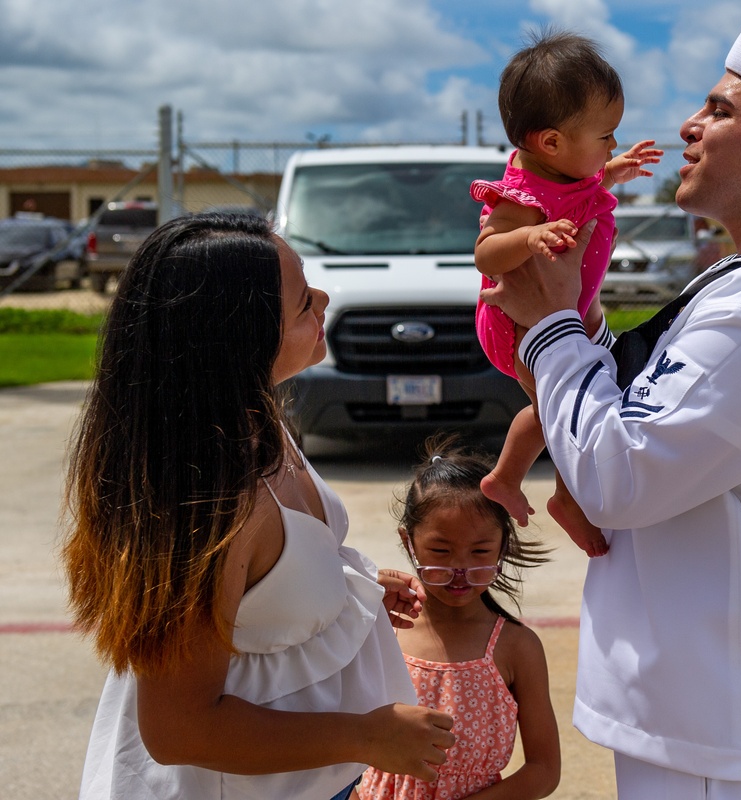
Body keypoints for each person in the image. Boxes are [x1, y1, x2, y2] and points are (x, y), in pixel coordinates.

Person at [480, 22, 741, 800]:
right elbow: (638, 393)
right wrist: (574, 324)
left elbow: (622, 476)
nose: (686, 126)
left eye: (718, 108)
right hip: (722, 715)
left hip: (735, 732)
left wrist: (546, 325)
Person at [61, 212, 455, 800]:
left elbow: (270, 578)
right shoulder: (210, 501)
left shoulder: (251, 416)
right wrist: (367, 738)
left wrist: (357, 583)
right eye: (302, 303)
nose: (323, 298)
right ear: (238, 339)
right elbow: (178, 729)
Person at [470, 30, 662, 558]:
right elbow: (486, 254)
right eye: (606, 137)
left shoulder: (566, 171)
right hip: (523, 326)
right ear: (551, 144)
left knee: (586, 398)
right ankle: (515, 480)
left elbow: (585, 184)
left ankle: (560, 491)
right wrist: (528, 237)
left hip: (568, 316)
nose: (613, 147)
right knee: (557, 409)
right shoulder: (522, 199)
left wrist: (612, 172)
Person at [358, 434, 561, 800]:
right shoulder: (381, 625)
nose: (460, 570)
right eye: (441, 550)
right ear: (408, 542)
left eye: (480, 550)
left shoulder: (517, 647)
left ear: (503, 545)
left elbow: (544, 770)